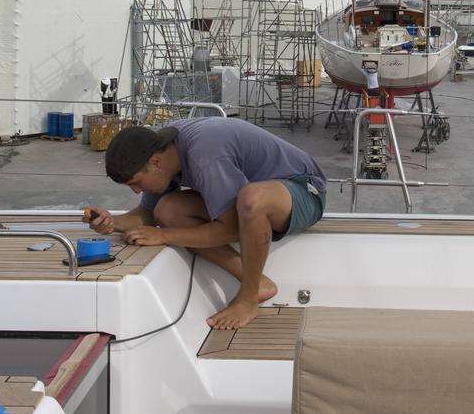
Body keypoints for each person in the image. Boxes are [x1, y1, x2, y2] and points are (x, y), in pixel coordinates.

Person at [86, 118, 327, 330]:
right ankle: (258, 282)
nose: (136, 190)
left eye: (136, 182)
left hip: (304, 191)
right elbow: (147, 215)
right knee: (168, 210)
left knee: (252, 199)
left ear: (156, 163)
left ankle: (248, 298)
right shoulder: (163, 150)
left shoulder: (205, 155)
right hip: (254, 201)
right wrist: (111, 222)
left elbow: (233, 228)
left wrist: (164, 236)